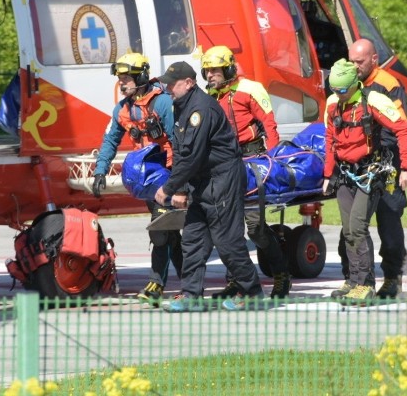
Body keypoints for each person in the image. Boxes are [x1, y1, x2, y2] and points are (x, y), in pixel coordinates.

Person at [154, 61, 264, 312]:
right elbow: (182, 151)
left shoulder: (201, 109)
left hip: (221, 180)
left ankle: (253, 292)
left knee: (227, 242)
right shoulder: (181, 107)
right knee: (192, 239)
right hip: (201, 183)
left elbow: (193, 156)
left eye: (173, 84)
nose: (169, 88)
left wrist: (169, 188)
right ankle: (191, 294)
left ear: (189, 83)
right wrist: (181, 190)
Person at [91, 52, 182, 307]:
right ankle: (189, 281)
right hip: (147, 178)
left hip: (169, 173)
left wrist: (181, 178)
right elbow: (110, 139)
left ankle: (156, 284)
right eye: (120, 78)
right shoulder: (122, 109)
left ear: (141, 76)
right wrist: (101, 170)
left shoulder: (163, 103)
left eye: (127, 77)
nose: (122, 82)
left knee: (161, 230)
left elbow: (180, 140)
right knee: (169, 231)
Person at [200, 45, 291, 299]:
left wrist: (273, 161)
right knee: (228, 230)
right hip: (222, 166)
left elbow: (269, 126)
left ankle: (282, 275)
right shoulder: (209, 96)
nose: (209, 76)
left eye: (215, 70)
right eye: (207, 71)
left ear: (228, 68)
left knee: (256, 229)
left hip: (251, 162)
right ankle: (236, 281)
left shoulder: (250, 89)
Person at [322, 59, 407, 302]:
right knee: (349, 232)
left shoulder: (374, 100)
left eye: (342, 90)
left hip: (370, 173)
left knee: (357, 227)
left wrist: (406, 168)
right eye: (334, 90)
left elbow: (403, 130)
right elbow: (331, 139)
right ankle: (353, 281)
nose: (338, 95)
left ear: (355, 84)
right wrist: (327, 174)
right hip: (344, 174)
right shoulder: (333, 104)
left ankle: (366, 284)